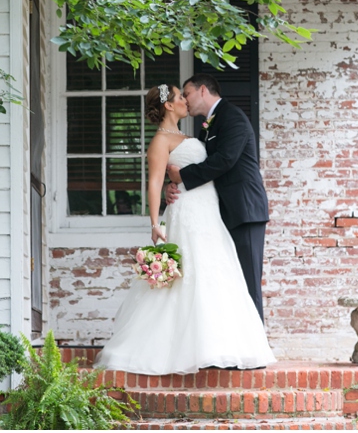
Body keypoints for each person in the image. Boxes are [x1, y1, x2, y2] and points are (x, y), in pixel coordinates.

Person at [93, 83, 275, 375]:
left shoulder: (195, 133)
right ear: (168, 105)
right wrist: (155, 222)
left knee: (217, 276)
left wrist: (177, 180)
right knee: (190, 278)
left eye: (184, 95)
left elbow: (219, 162)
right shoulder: (160, 141)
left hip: (210, 212)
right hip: (188, 212)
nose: (184, 101)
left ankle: (223, 346)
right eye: (179, 97)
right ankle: (183, 349)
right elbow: (154, 181)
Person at [166, 74, 269, 322]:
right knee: (230, 281)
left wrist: (184, 177)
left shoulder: (232, 117)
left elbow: (224, 160)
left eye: (186, 93)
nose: (185, 100)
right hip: (221, 212)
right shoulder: (210, 123)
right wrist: (173, 185)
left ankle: (254, 350)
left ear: (203, 90)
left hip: (244, 210)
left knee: (247, 280)